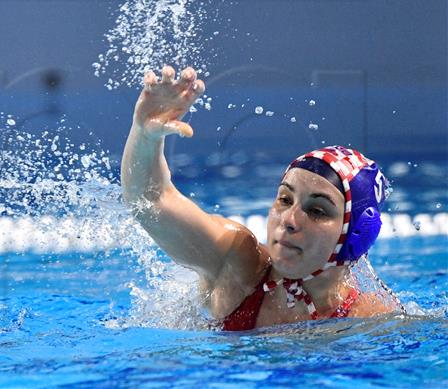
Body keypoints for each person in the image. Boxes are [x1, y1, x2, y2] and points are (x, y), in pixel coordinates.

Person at [121, 65, 400, 330]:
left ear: (355, 236)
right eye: (284, 200)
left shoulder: (370, 319)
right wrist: (145, 136)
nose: (289, 220)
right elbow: (151, 201)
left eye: (317, 210)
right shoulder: (237, 265)